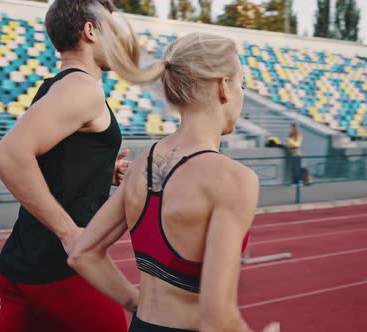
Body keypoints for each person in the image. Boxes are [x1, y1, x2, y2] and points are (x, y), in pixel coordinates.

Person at [67, 12, 277, 330]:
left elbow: (82, 254)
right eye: (241, 84)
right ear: (223, 87)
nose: (241, 94)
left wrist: (136, 304)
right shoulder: (233, 180)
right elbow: (217, 317)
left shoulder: (141, 165)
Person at [0, 1, 133, 330]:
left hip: (21, 264)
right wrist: (70, 234)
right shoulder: (83, 90)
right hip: (63, 274)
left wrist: (99, 171)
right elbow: (8, 156)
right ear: (90, 31)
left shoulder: (56, 85)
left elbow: (52, 159)